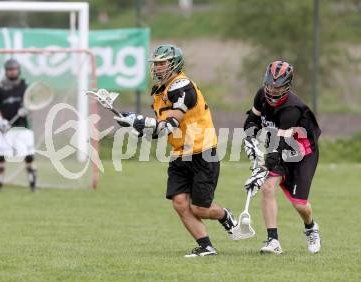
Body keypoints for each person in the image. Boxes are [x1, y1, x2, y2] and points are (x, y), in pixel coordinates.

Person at [114, 44, 237, 257]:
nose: (158, 68)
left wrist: (141, 120)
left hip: (202, 151)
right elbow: (161, 131)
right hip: (180, 153)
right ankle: (206, 246)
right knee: (180, 203)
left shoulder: (183, 85)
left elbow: (171, 122)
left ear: (174, 64)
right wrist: (136, 126)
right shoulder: (159, 93)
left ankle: (224, 215)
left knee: (199, 208)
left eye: (162, 63)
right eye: (156, 64)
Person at [243, 60, 321, 254]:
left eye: (277, 87)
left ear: (287, 86)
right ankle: (273, 241)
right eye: (269, 85)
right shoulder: (261, 96)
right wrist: (250, 140)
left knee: (299, 205)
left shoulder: (291, 109)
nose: (272, 90)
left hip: (302, 154)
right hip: (279, 147)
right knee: (268, 188)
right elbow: (252, 121)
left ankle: (311, 228)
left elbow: (281, 147)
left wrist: (262, 169)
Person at [0, 58, 37, 191]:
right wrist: (0, 119)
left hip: (23, 126)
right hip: (4, 128)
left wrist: (27, 109)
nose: (12, 72)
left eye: (14, 69)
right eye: (9, 70)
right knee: (1, 155)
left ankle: (33, 184)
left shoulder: (26, 86)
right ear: (6, 71)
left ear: (18, 70)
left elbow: (34, 102)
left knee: (28, 155)